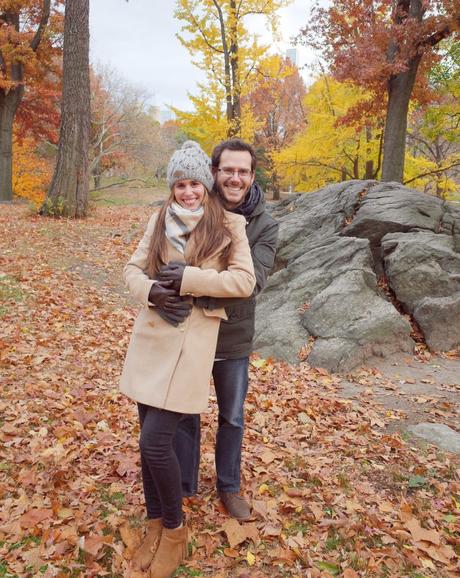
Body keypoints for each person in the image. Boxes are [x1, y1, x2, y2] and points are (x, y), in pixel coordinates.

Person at [119, 140, 256, 578]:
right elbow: (132, 270)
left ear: (206, 183)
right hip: (152, 339)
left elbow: (244, 281)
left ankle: (176, 531)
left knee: (155, 442)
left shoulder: (230, 225)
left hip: (193, 345)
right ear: (172, 187)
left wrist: (188, 280)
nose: (189, 192)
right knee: (148, 440)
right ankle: (156, 522)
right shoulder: (159, 219)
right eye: (180, 184)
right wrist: (153, 292)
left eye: (195, 183)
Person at [174, 139, 279, 520]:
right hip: (190, 330)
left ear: (252, 176)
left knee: (232, 416)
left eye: (243, 171)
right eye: (228, 170)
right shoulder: (194, 209)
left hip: (234, 338)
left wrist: (192, 283)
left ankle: (228, 486)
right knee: (185, 410)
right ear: (215, 172)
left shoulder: (265, 226)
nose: (235, 178)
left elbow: (253, 282)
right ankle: (184, 483)